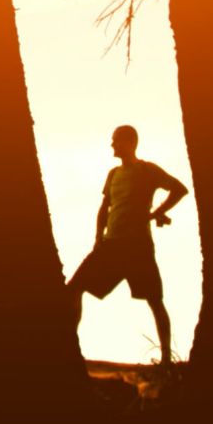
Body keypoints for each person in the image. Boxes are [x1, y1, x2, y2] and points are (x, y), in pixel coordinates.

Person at [68, 125, 190, 366]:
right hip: (110, 245)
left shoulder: (147, 170)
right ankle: (71, 348)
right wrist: (97, 237)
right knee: (74, 288)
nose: (112, 145)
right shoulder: (113, 174)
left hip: (138, 247)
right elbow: (105, 207)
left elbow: (179, 189)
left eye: (116, 141)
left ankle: (166, 358)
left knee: (155, 300)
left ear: (129, 143)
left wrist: (157, 213)